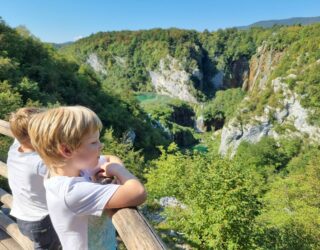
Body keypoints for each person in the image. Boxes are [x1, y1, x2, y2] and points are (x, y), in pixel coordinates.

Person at [28, 106, 147, 250]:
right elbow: (138, 193)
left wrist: (114, 173)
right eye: (93, 142)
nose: (101, 145)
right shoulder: (71, 192)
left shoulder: (77, 169)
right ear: (67, 150)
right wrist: (117, 170)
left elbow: (111, 158)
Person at [7, 107, 61, 249]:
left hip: (23, 217)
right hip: (42, 221)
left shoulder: (16, 147)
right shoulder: (40, 163)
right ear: (37, 135)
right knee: (48, 246)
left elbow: (22, 135)